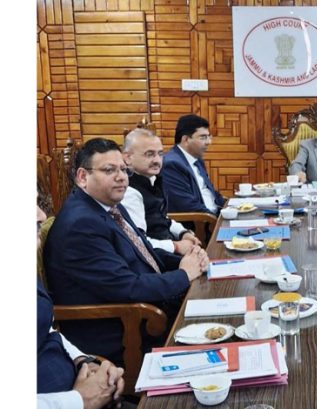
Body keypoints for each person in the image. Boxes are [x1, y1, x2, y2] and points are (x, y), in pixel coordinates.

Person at [43, 138, 209, 366]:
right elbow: (128, 288)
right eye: (109, 170)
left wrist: (189, 260)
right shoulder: (80, 225)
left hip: (146, 310)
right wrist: (183, 275)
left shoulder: (108, 206)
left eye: (123, 169)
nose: (121, 177)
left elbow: (143, 253)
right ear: (83, 177)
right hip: (124, 333)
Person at [37, 205, 126, 409]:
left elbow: (46, 328)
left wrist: (86, 363)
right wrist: (79, 400)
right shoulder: (78, 223)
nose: (41, 215)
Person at [121, 128, 202, 267]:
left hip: (167, 249)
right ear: (127, 157)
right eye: (149, 154)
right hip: (154, 260)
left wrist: (183, 233)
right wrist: (176, 246)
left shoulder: (153, 179)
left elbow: (161, 217)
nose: (157, 160)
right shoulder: (129, 192)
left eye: (160, 154)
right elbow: (138, 242)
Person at [161, 114, 225, 214]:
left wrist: (230, 206)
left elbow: (210, 192)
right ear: (186, 139)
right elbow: (186, 205)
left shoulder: (197, 159)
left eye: (209, 137)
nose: (209, 142)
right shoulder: (171, 164)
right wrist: (216, 219)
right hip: (200, 224)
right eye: (203, 137)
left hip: (215, 214)